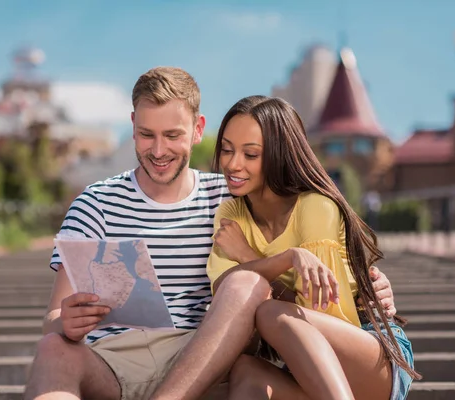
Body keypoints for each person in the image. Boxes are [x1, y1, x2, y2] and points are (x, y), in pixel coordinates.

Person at [23, 67, 398, 400]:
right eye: (145, 134)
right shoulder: (95, 203)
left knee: (244, 285)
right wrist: (64, 321)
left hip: (205, 360)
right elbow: (53, 316)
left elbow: (305, 246)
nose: (158, 150)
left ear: (198, 129)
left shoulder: (233, 195)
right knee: (53, 349)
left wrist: (369, 286)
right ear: (132, 124)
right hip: (115, 362)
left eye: (172, 135)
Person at [207, 95, 419, 400]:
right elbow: (228, 292)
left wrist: (249, 258)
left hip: (370, 351)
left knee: (270, 313)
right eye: (227, 150)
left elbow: (322, 313)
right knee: (245, 371)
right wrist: (286, 260)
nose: (232, 164)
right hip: (307, 371)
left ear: (278, 155)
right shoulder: (230, 214)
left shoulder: (315, 206)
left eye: (250, 154)